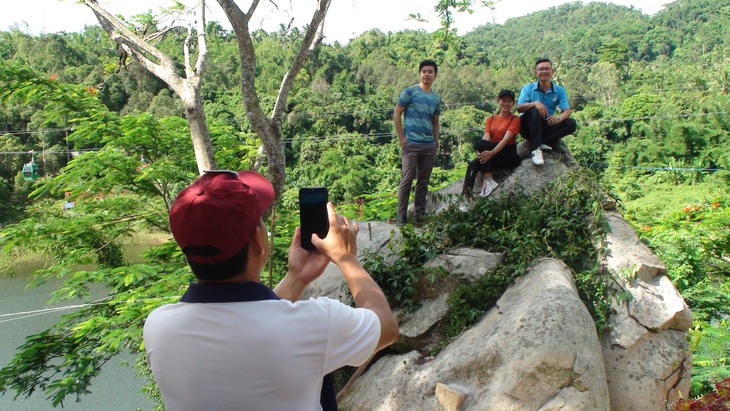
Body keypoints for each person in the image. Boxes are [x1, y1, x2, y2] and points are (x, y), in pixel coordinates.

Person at [143, 170, 399, 411]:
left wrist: (297, 278)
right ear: (258, 241)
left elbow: (248, 327)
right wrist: (346, 258)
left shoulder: (158, 326)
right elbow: (386, 327)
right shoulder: (316, 324)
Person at [394, 59, 441, 225]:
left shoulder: (435, 98)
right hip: (411, 144)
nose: (427, 74)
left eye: (430, 72)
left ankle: (420, 215)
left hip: (428, 145)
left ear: (435, 75)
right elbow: (397, 114)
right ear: (420, 73)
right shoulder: (410, 92)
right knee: (407, 179)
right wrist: (402, 139)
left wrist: (435, 143)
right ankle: (401, 217)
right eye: (424, 71)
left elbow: (435, 122)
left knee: (423, 181)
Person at [516, 57, 577, 166]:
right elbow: (519, 108)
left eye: (547, 69)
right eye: (541, 69)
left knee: (571, 123)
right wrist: (535, 104)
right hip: (528, 126)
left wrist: (559, 118)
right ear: (536, 72)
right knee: (535, 110)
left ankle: (541, 140)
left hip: (545, 125)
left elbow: (567, 110)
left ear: (552, 71)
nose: (544, 71)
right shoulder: (528, 88)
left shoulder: (559, 90)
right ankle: (536, 149)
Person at [462, 89, 522, 198]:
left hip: (507, 154)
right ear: (498, 101)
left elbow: (505, 140)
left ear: (513, 103)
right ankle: (466, 197)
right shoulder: (491, 118)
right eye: (503, 100)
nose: (506, 103)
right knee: (473, 164)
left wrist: (492, 152)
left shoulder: (515, 119)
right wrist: (480, 152)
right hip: (492, 153)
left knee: (483, 145)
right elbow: (486, 137)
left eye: (509, 101)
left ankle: (488, 180)